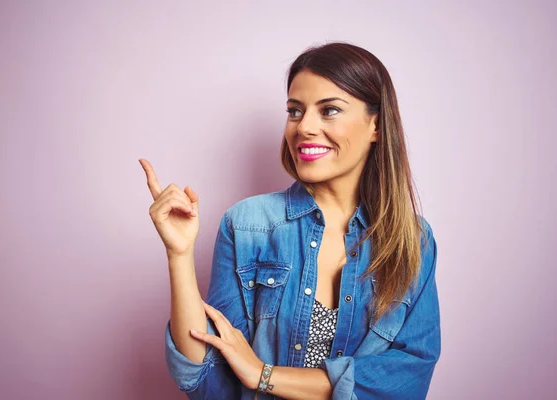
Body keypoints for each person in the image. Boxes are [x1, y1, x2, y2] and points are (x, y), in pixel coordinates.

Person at [139, 42, 441, 400]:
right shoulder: (248, 225)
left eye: (329, 110)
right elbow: (207, 375)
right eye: (295, 111)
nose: (304, 127)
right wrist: (179, 253)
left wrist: (264, 375)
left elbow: (408, 377)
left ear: (375, 124)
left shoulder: (412, 239)